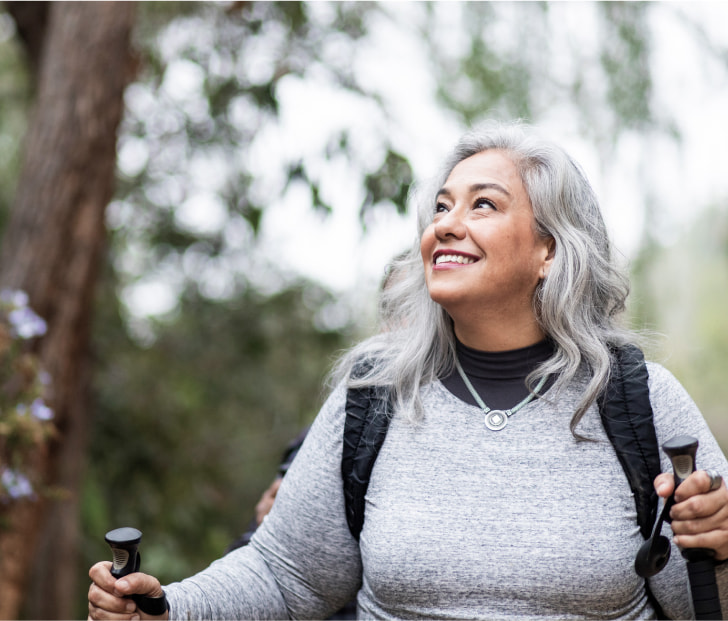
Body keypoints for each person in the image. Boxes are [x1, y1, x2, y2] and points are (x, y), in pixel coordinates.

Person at [88, 120, 728, 620]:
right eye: (442, 207)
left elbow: (704, 600)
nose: (446, 225)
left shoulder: (637, 398)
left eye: (483, 205)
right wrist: (167, 608)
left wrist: (719, 549)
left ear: (548, 251)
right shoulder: (375, 392)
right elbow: (289, 576)